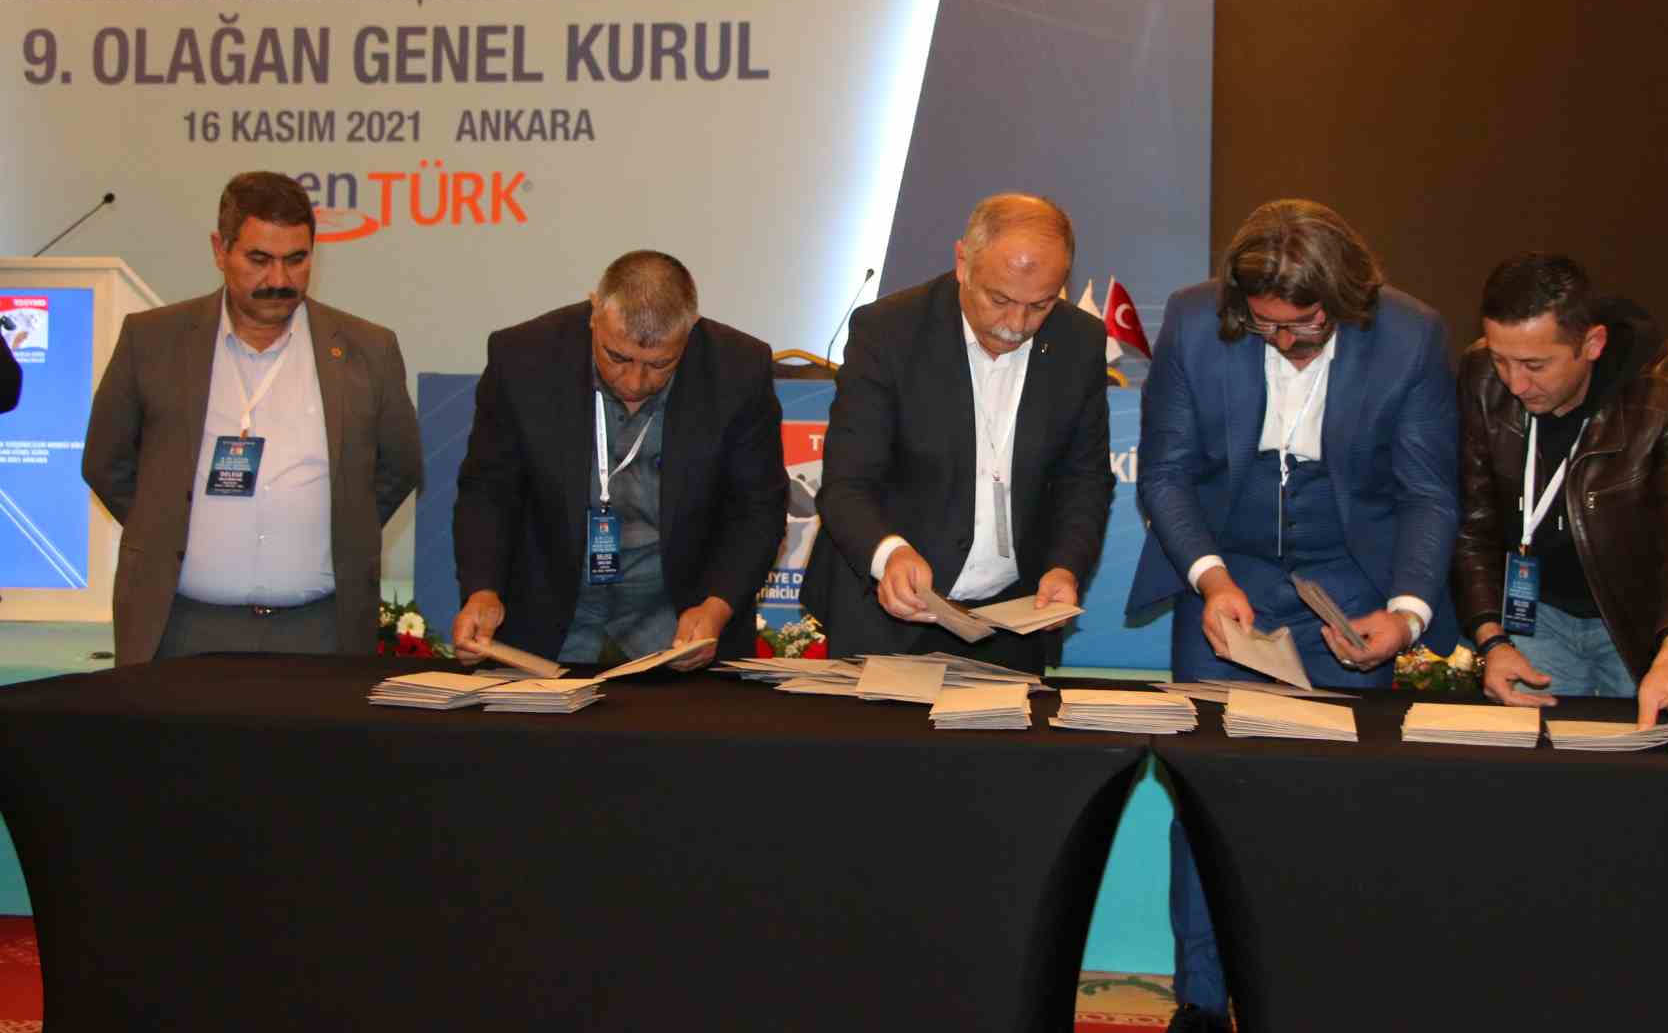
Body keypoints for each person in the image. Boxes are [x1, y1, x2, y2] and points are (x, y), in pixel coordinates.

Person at [1125, 198, 1459, 1033]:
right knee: (1203, 803)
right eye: (1265, 326)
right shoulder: (1196, 322)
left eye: (1303, 326)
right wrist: (1210, 578)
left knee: (1332, 807)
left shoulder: (1411, 336)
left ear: (1346, 298)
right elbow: (1165, 474)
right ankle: (1203, 1013)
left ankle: (1322, 1007)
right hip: (1227, 579)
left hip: (1349, 584)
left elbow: (1428, 492)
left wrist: (1407, 613)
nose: (1284, 342)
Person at [81, 171, 421, 663]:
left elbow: (399, 467)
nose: (279, 280)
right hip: (179, 628)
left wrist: (342, 527)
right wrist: (163, 526)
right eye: (259, 260)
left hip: (321, 631)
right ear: (220, 251)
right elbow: (106, 462)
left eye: (296, 260)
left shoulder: (369, 348)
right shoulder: (151, 340)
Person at [800, 192, 1114, 676]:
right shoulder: (888, 331)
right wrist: (889, 553)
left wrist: (1065, 566)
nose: (1016, 325)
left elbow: (1085, 478)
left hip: (1013, 622)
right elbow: (847, 482)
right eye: (1000, 299)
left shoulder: (1080, 342)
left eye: (1040, 305)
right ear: (963, 262)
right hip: (887, 618)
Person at [1456, 252, 1668, 749]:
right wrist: (1492, 640)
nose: (1515, 384)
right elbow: (1473, 522)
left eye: (1535, 365)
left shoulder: (1667, 390)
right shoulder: (1481, 377)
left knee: (1636, 768)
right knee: (1533, 764)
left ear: (1592, 343)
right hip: (1535, 613)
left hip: (1634, 620)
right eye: (1502, 360)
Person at [451, 251, 786, 666]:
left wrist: (716, 607)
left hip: (680, 620)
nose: (635, 381)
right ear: (595, 312)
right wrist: (482, 590)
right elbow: (488, 490)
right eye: (617, 357)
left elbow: (758, 508)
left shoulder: (738, 370)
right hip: (549, 617)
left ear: (691, 328)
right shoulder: (522, 358)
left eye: (660, 364)